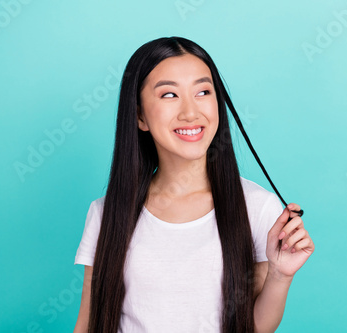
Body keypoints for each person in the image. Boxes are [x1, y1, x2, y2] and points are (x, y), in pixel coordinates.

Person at [73, 36, 314, 333]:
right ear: (139, 115)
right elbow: (87, 323)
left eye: (202, 91)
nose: (190, 112)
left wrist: (280, 275)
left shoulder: (257, 206)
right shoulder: (106, 212)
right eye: (169, 95)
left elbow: (253, 327)